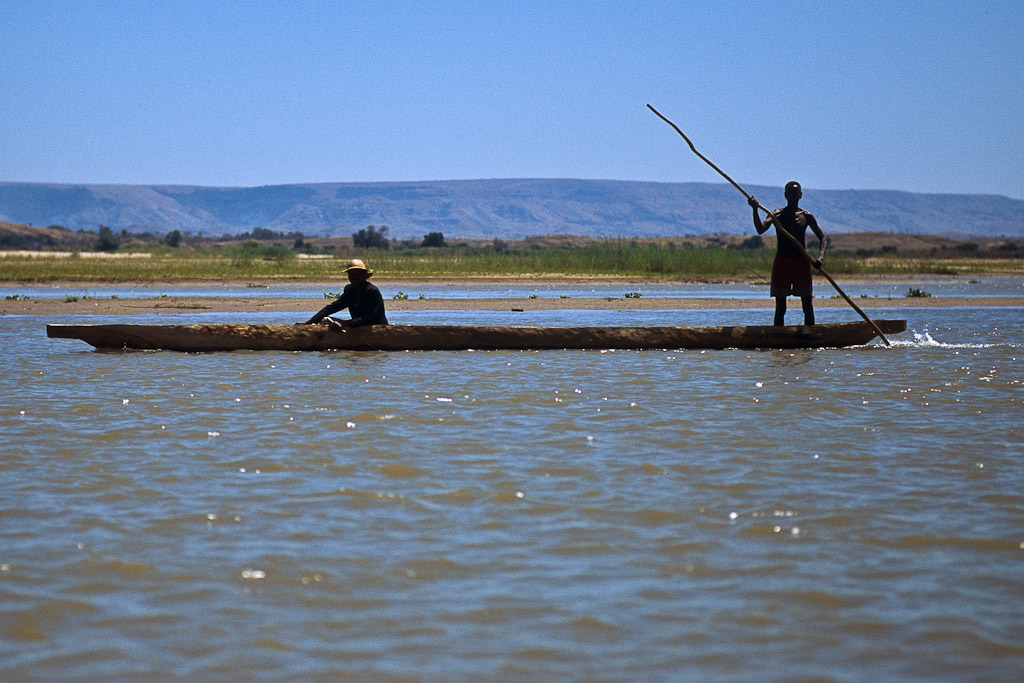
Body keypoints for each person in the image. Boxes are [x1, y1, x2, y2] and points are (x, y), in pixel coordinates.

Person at [748, 181, 828, 326]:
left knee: (807, 305)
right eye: (790, 193)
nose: (793, 196)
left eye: (796, 193)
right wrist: (754, 210)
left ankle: (810, 336)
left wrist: (820, 258)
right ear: (785, 195)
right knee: (780, 307)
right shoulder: (776, 215)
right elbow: (760, 229)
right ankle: (779, 337)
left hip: (801, 262)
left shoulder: (806, 216)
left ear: (800, 195)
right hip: (782, 262)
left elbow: (823, 238)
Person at [302, 258, 388, 327]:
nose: (353, 277)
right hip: (356, 326)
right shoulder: (350, 290)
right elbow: (333, 307)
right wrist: (309, 322)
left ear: (363, 275)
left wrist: (345, 323)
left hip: (375, 327)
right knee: (325, 320)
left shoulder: (372, 291)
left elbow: (370, 318)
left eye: (356, 274)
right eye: (351, 274)